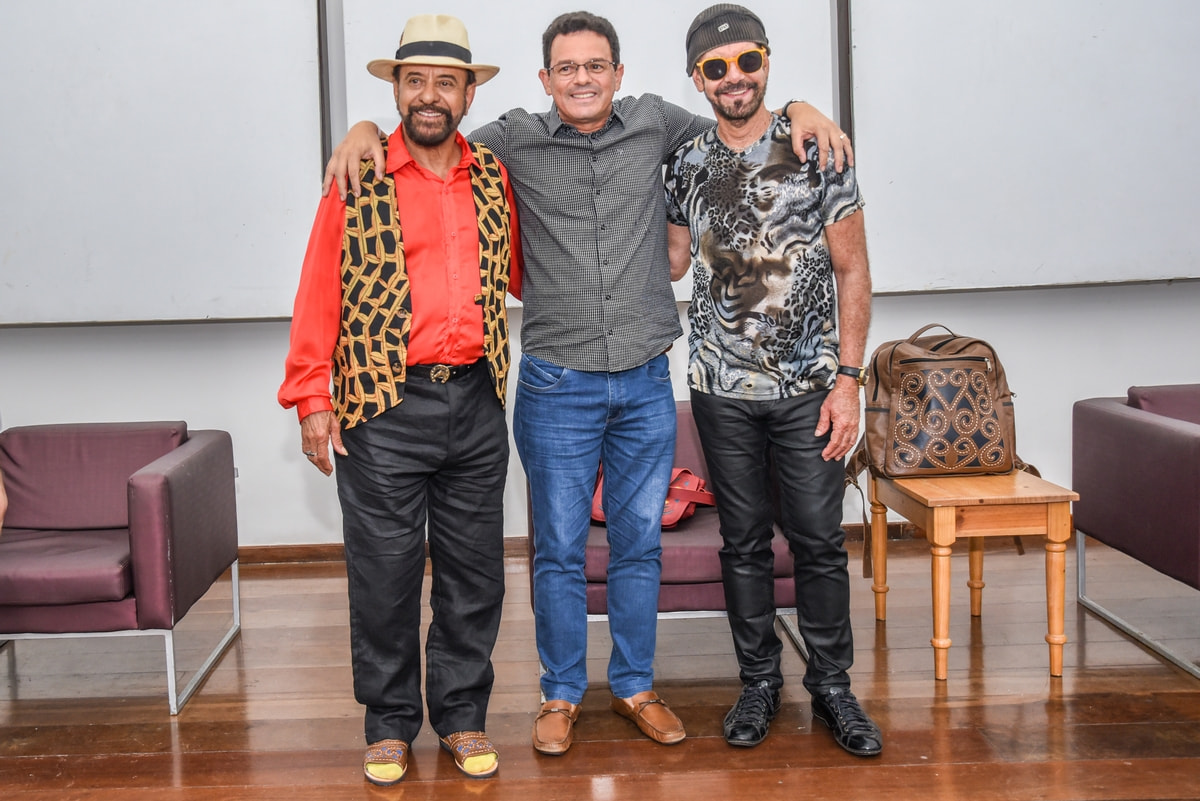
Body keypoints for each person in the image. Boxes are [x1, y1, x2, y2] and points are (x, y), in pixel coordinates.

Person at [324, 11, 853, 756]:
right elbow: (431, 137)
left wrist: (802, 108)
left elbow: (737, 117)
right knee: (559, 552)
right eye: (567, 68)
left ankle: (635, 685)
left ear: (619, 73)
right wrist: (364, 133)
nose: (582, 79)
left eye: (596, 65)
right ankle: (560, 693)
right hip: (556, 385)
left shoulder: (656, 123)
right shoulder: (512, 139)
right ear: (545, 80)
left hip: (643, 383)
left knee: (638, 547)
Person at [277, 14, 521, 785]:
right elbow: (318, 287)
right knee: (383, 575)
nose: (428, 95)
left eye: (445, 82)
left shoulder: (493, 176)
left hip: (476, 400)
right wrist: (311, 394)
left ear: (468, 94)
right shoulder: (359, 172)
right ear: (396, 90)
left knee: (474, 575)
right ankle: (387, 723)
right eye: (414, 81)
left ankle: (462, 714)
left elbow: (515, 272)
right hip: (383, 406)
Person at [664, 4, 882, 757]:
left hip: (811, 389)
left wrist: (849, 381)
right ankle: (759, 681)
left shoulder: (816, 148)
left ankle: (833, 686)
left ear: (765, 62)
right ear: (697, 78)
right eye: (716, 67)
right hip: (720, 391)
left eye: (747, 61)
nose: (735, 77)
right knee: (744, 543)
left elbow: (854, 269)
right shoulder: (686, 163)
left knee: (819, 541)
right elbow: (673, 262)